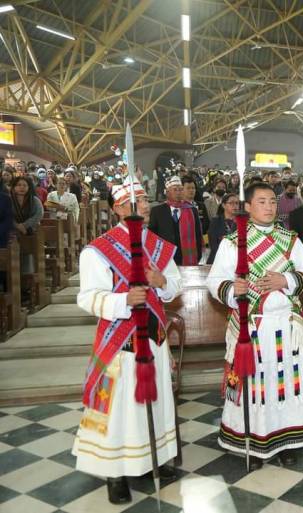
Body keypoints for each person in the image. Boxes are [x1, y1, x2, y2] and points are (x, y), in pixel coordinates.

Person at [72, 181, 180, 505]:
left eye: (145, 199)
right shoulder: (97, 250)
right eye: (135, 201)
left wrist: (160, 282)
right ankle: (114, 472)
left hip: (155, 340)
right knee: (118, 409)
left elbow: (174, 286)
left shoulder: (158, 246)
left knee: (154, 403)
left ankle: (150, 460)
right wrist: (123, 300)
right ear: (117, 208)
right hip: (121, 343)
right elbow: (88, 298)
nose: (144, 206)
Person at [206, 182, 303, 468]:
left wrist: (287, 280)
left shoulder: (290, 238)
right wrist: (235, 289)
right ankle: (251, 441)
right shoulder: (233, 242)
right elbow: (215, 280)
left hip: (285, 327)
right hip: (251, 328)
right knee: (252, 386)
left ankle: (287, 440)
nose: (269, 207)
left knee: (284, 385)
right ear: (247, 206)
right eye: (262, 202)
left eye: (272, 202)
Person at [149, 176, 203, 266]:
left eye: (180, 189)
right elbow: (152, 235)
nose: (178, 192)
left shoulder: (191, 210)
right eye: (175, 190)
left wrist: (198, 255)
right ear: (167, 192)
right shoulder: (157, 211)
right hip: (164, 256)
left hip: (187, 256)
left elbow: (198, 234)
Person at [206, 192, 238, 264]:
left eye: (237, 203)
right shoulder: (216, 221)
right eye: (231, 203)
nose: (235, 206)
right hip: (218, 259)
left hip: (236, 259)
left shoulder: (242, 222)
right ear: (223, 205)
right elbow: (213, 244)